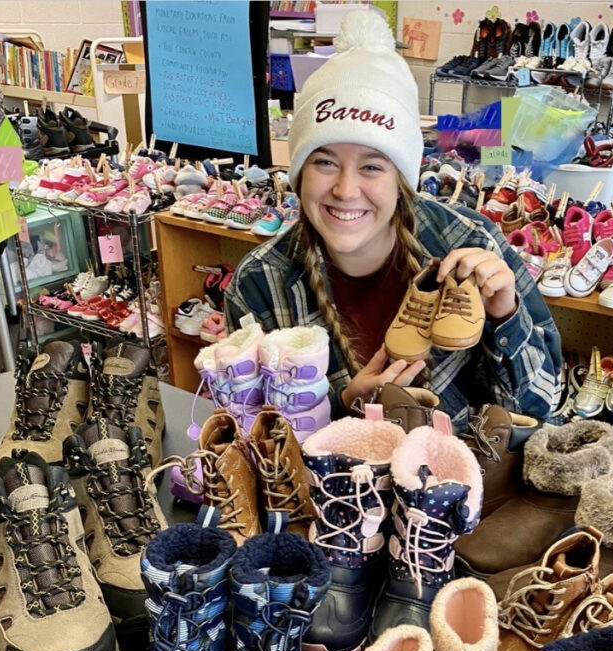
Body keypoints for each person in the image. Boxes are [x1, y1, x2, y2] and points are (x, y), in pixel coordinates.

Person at [224, 10, 562, 432]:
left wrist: (504, 316)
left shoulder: (470, 244)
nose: (346, 190)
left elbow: (540, 410)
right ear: (298, 173)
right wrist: (341, 405)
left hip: (456, 486)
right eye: (325, 162)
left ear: (402, 179)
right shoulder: (259, 282)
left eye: (372, 167)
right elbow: (252, 431)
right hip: (332, 492)